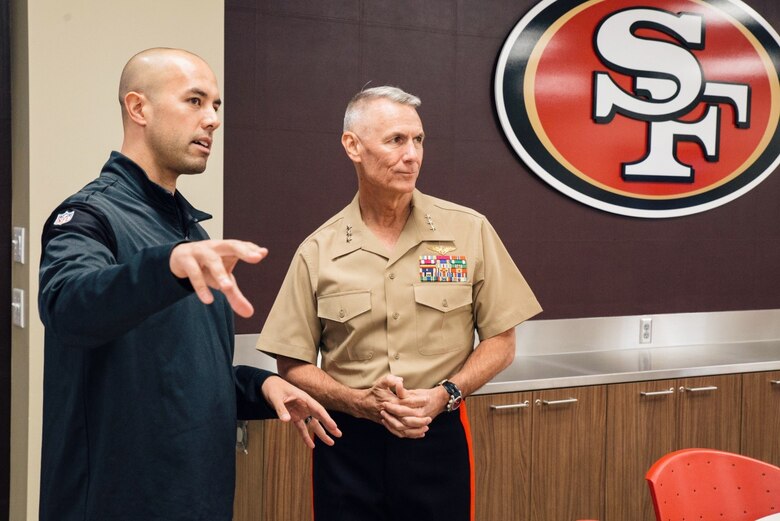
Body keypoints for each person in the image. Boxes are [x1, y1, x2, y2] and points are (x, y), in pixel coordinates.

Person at [37, 48, 340, 521]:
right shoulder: (87, 217)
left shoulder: (191, 235)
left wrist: (261, 387)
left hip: (198, 497)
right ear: (139, 109)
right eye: (195, 101)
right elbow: (68, 306)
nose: (213, 119)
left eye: (216, 105)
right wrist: (167, 265)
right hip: (114, 502)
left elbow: (183, 376)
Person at [257, 86, 542, 521]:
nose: (412, 155)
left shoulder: (467, 232)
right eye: (396, 140)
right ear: (353, 146)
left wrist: (447, 393)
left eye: (419, 140)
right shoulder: (318, 250)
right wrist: (357, 402)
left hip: (437, 432)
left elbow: (502, 341)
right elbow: (291, 364)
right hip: (347, 442)